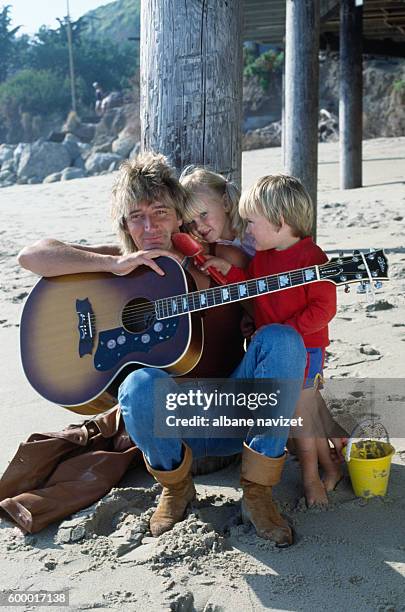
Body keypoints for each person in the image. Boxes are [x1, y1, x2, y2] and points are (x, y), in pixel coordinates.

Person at [18, 153, 307, 547]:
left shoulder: (224, 261)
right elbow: (32, 255)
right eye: (136, 216)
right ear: (124, 224)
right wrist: (115, 265)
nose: (150, 226)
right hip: (174, 431)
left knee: (282, 339)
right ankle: (176, 488)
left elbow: (286, 311)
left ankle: (257, 493)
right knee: (138, 384)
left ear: (179, 215)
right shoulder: (118, 265)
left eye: (160, 212)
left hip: (237, 417)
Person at [199, 174, 346, 506]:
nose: (247, 231)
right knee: (304, 416)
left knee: (302, 420)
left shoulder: (312, 259)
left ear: (280, 222)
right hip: (273, 351)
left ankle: (312, 480)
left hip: (306, 350)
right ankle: (332, 467)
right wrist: (226, 270)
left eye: (252, 223)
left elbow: (324, 308)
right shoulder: (263, 258)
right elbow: (251, 287)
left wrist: (285, 333)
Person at [179, 166, 255, 256]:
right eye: (191, 221)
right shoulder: (211, 248)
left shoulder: (253, 233)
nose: (198, 227)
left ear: (225, 203)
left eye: (203, 214)